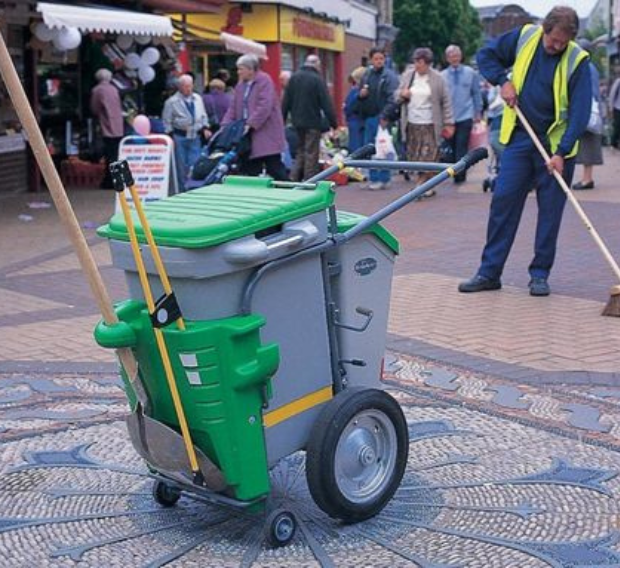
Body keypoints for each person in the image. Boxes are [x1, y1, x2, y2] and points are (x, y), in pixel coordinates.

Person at [459, 6, 591, 297]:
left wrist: (562, 151)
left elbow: (580, 113)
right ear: (545, 28)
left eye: (563, 42)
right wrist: (503, 81)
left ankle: (540, 274)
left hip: (556, 149)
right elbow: (486, 56)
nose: (556, 47)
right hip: (520, 140)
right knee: (503, 203)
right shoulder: (525, 37)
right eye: (553, 40)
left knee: (550, 213)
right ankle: (489, 272)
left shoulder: (577, 60)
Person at [394, 48, 454, 197]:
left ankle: (420, 186)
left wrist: (449, 122)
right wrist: (402, 94)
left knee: (429, 156)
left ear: (428, 63)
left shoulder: (437, 79)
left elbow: (445, 101)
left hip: (430, 124)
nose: (417, 65)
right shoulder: (408, 76)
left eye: (420, 62)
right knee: (415, 156)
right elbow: (396, 96)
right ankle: (428, 185)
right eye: (415, 61)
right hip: (412, 123)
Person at [221, 54, 288, 180]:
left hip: (266, 132)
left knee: (274, 167)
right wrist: (226, 125)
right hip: (247, 134)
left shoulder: (264, 81)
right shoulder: (241, 85)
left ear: (251, 70)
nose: (238, 72)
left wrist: (251, 124)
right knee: (249, 167)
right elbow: (233, 107)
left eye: (241, 69)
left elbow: (264, 106)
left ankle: (289, 192)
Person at [282, 54, 337, 181]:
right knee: (311, 152)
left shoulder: (294, 78)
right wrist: (334, 123)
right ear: (316, 64)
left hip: (297, 122)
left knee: (300, 150)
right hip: (313, 122)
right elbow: (326, 103)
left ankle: (293, 178)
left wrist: (282, 119)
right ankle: (309, 180)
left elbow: (285, 101)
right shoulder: (317, 79)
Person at [356, 47, 399, 190]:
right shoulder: (367, 75)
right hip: (369, 117)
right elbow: (360, 95)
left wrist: (385, 115)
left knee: (383, 148)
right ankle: (373, 177)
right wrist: (361, 95)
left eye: (381, 58)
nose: (379, 61)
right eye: (376, 59)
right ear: (371, 60)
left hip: (382, 118)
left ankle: (384, 177)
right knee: (371, 149)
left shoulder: (389, 76)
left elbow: (392, 98)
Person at [162, 74, 212, 191]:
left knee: (194, 164)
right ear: (180, 87)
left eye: (190, 86)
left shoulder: (198, 98)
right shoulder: (171, 102)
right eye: (185, 86)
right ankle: (181, 189)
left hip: (195, 136)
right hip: (180, 137)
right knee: (181, 166)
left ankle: (193, 189)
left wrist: (205, 128)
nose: (188, 89)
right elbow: (166, 121)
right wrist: (170, 137)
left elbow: (203, 115)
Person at [441, 45, 483, 184]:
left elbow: (476, 93)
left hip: (465, 115)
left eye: (457, 55)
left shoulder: (470, 73)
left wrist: (478, 112)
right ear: (447, 58)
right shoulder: (443, 76)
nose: (454, 58)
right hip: (448, 118)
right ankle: (454, 171)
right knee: (451, 148)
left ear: (460, 56)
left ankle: (460, 174)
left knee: (461, 146)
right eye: (451, 56)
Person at [573, 39, 603, 190]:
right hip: (590, 110)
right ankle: (586, 178)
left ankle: (587, 179)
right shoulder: (589, 67)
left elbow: (591, 92)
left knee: (588, 143)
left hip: (588, 111)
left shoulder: (586, 68)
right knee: (587, 144)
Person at [90, 68, 124, 189]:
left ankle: (110, 181)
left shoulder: (97, 90)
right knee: (116, 153)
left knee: (110, 154)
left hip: (106, 125)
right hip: (118, 125)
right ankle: (116, 178)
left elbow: (95, 108)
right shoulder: (114, 89)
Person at [344, 66, 366, 153]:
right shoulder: (359, 91)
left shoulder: (356, 92)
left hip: (355, 122)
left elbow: (349, 107)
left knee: (355, 148)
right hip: (357, 121)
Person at [608, 73, 620, 149]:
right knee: (617, 127)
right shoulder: (618, 81)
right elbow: (612, 94)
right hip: (618, 108)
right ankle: (613, 144)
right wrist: (610, 108)